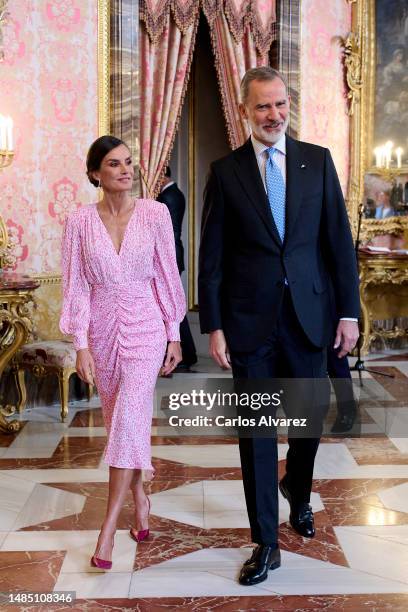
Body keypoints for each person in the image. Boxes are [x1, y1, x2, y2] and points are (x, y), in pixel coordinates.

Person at [198, 67, 360, 586]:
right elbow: (213, 258)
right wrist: (215, 326)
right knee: (257, 436)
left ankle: (298, 486)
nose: (274, 116)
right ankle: (265, 542)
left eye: (281, 104)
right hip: (250, 324)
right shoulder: (226, 172)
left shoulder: (318, 162)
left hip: (311, 319)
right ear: (245, 111)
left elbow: (338, 242)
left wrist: (349, 312)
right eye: (263, 107)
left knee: (308, 426)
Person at [60, 135, 185, 569]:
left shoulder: (156, 214)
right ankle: (140, 498)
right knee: (121, 424)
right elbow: (75, 284)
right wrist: (80, 344)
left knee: (129, 417)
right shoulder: (79, 221)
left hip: (146, 327)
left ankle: (108, 531)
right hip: (101, 330)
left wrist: (174, 333)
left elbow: (167, 275)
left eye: (129, 162)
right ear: (96, 173)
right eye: (114, 164)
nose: (126, 170)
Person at [157, 167, 197, 370]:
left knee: (172, 306)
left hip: (170, 256)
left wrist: (166, 262)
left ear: (162, 175)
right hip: (174, 254)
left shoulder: (169, 196)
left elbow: (169, 233)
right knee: (172, 305)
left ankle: (185, 353)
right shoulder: (174, 194)